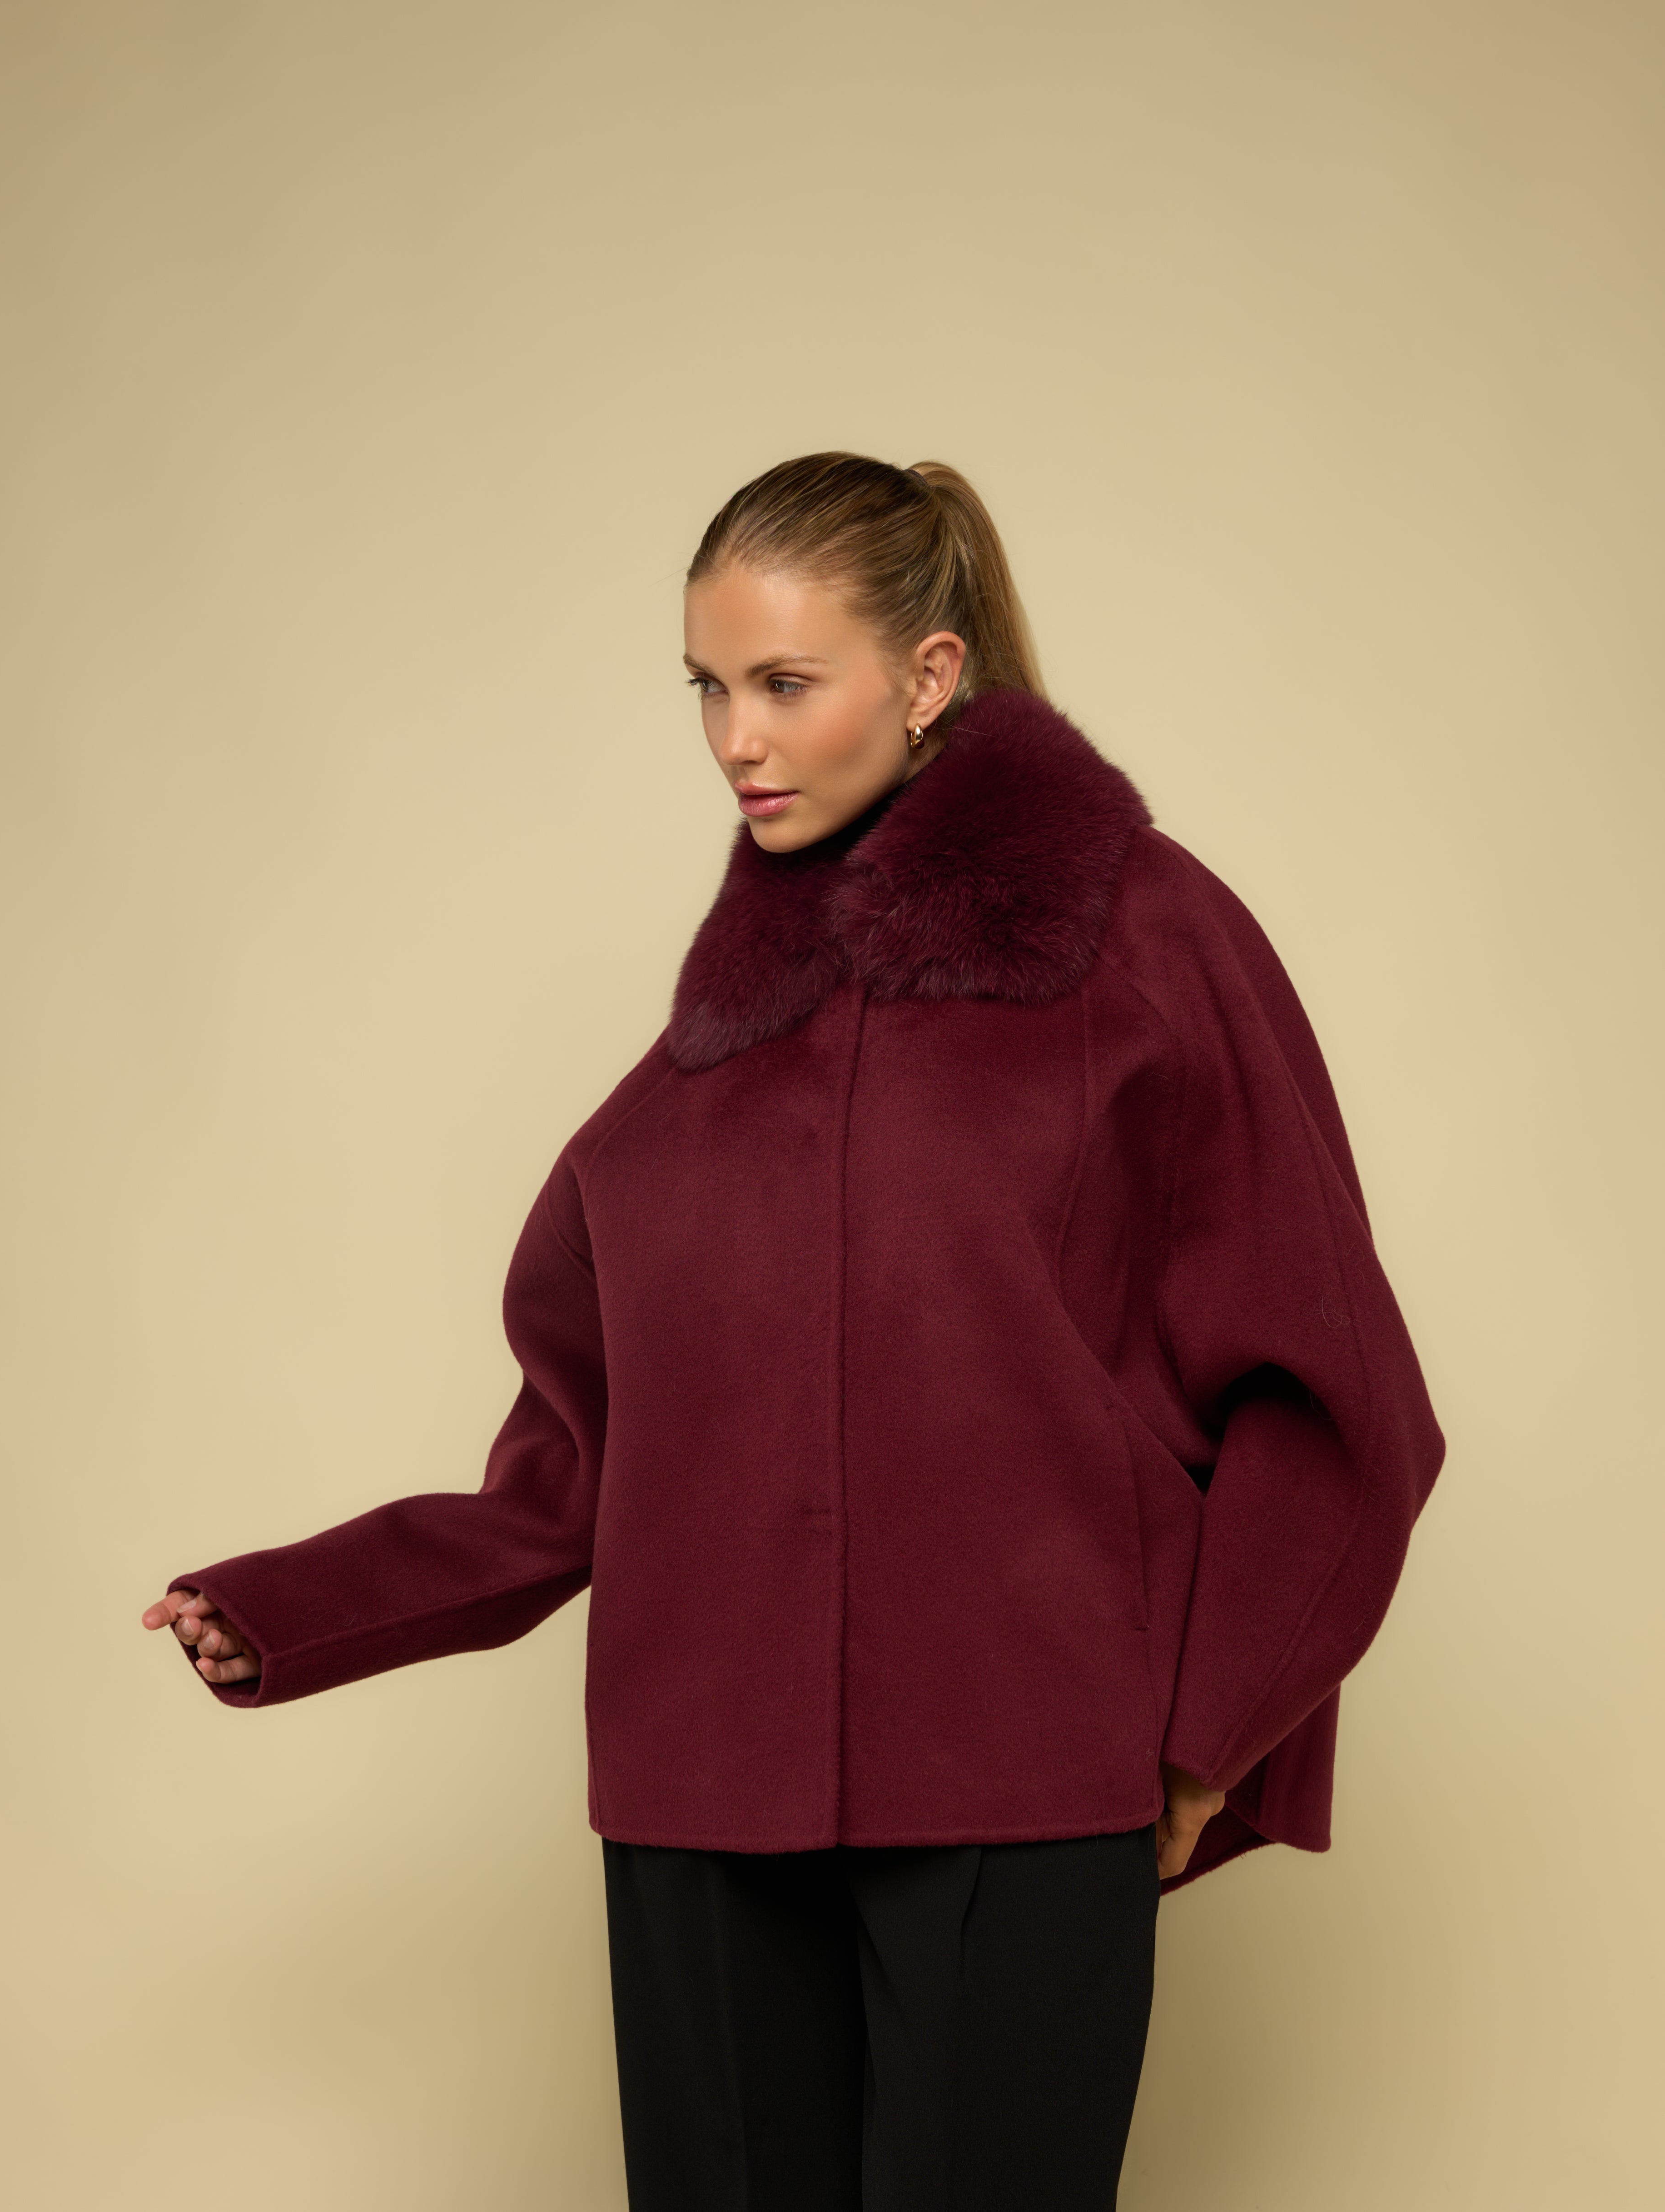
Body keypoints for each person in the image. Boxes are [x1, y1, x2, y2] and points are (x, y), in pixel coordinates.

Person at [142, 452, 1445, 2210]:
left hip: (1023, 1773)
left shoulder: (1144, 937)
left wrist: (1212, 1731)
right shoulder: (707, 1053)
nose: (734, 740)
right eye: (706, 685)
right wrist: (294, 1607)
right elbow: (583, 1456)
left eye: (782, 682)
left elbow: (1339, 1388)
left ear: (928, 674)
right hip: (701, 1796)